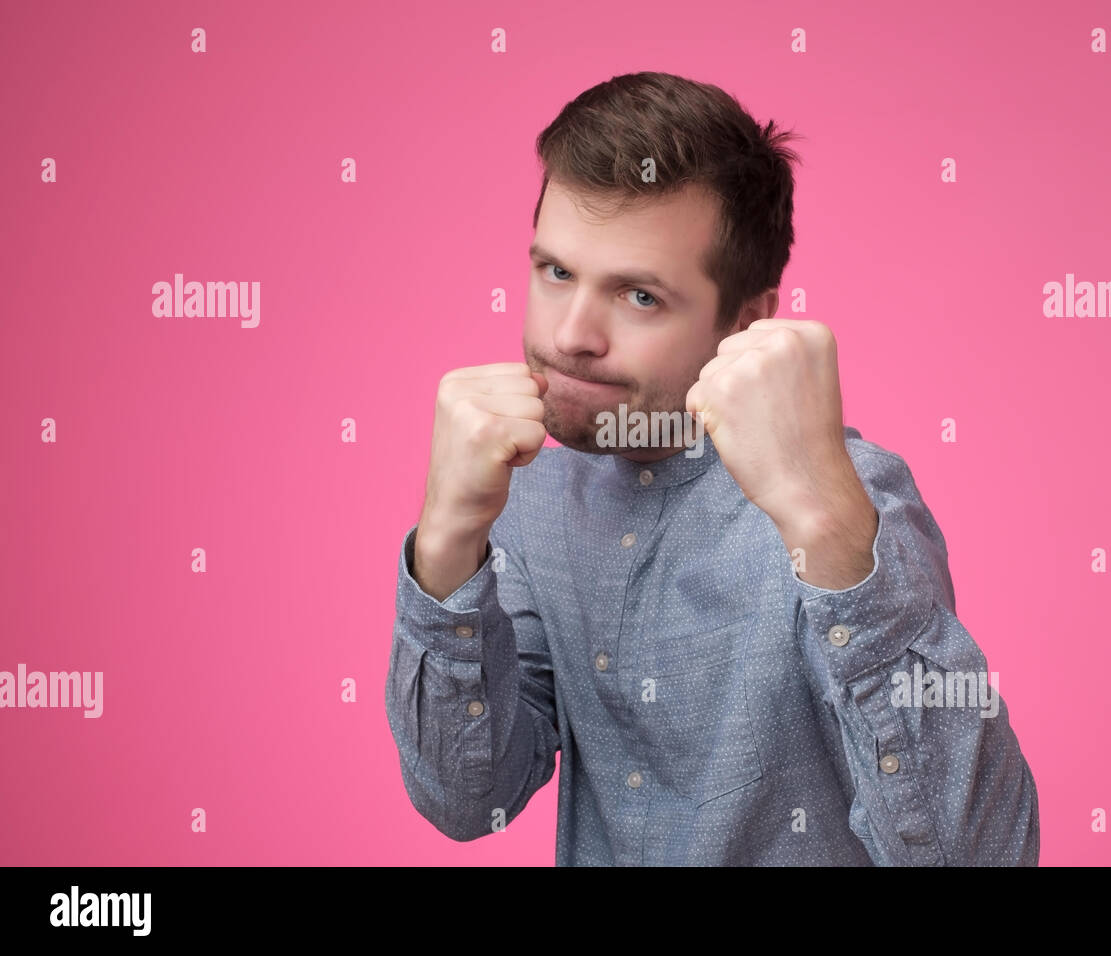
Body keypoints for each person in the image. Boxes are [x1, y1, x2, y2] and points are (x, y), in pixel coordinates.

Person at [385, 71, 1039, 865]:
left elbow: (978, 857)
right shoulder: (531, 499)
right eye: (556, 273)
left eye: (639, 296)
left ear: (748, 322)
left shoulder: (846, 498)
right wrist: (448, 541)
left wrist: (827, 525)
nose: (573, 336)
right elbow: (466, 801)